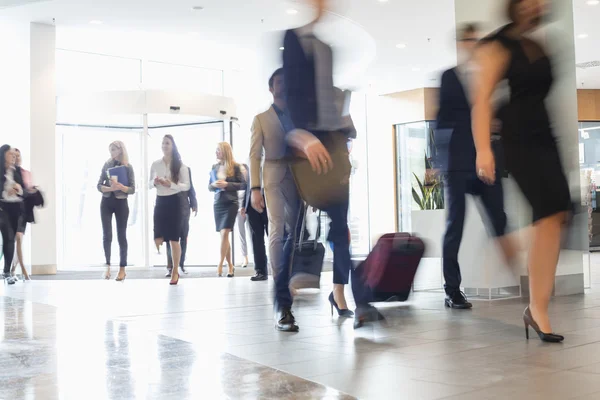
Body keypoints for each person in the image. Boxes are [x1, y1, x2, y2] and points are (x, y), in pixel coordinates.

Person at [472, 0, 571, 342]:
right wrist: (483, 149)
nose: (535, 5)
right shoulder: (498, 46)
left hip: (545, 135)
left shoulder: (539, 43)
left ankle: (536, 303)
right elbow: (482, 99)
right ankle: (537, 307)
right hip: (518, 139)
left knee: (557, 214)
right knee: (547, 213)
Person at [276, 0, 364, 332]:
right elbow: (288, 98)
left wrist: (342, 125)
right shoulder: (292, 40)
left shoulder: (326, 48)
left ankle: (352, 299)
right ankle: (283, 306)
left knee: (340, 232)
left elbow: (327, 102)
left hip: (331, 147)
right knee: (294, 232)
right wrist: (300, 136)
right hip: (302, 150)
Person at [436, 24, 516, 309]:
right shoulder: (448, 77)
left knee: (499, 219)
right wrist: (439, 162)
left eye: (476, 40)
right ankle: (452, 290)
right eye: (467, 40)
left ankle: (517, 270)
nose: (472, 44)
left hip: (487, 160)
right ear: (460, 43)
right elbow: (441, 121)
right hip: (457, 163)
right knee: (454, 226)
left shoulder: (489, 76)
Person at [249, 68, 302, 283]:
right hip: (272, 176)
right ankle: (280, 279)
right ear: (271, 88)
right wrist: (255, 188)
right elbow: (253, 155)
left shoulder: (298, 117)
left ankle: (291, 274)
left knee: (295, 228)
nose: (283, 85)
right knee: (276, 226)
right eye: (278, 82)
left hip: (297, 177)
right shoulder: (261, 119)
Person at [150, 135, 191, 286]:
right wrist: (154, 182)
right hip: (160, 201)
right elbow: (148, 183)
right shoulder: (155, 164)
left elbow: (186, 186)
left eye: (167, 143)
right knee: (158, 237)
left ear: (173, 146)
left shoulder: (180, 166)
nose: (164, 145)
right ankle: (169, 263)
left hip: (175, 202)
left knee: (174, 239)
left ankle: (175, 270)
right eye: (162, 143)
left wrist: (171, 184)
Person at [97, 141, 135, 282]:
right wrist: (110, 188)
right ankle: (107, 267)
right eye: (110, 150)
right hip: (106, 202)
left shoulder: (128, 167)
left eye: (113, 150)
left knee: (121, 236)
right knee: (107, 235)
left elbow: (132, 189)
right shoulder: (107, 164)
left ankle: (122, 269)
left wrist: (120, 187)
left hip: (121, 203)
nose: (111, 153)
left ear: (120, 150)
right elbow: (99, 185)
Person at [209, 142, 246, 278]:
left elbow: (243, 184)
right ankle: (230, 266)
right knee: (224, 236)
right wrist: (214, 184)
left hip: (231, 203)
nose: (216, 152)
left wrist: (227, 184)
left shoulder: (236, 167)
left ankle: (220, 264)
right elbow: (209, 187)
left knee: (225, 234)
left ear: (225, 151)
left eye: (218, 150)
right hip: (218, 203)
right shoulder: (215, 167)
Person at [165, 168, 197, 277]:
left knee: (183, 237)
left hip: (183, 208)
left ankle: (181, 264)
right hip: (169, 206)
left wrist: (194, 204)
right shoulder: (165, 169)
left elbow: (191, 188)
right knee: (170, 239)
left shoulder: (186, 170)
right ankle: (170, 267)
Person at [0, 145, 25, 285]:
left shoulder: (16, 172)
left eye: (15, 155)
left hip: (14, 208)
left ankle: (7, 271)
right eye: (11, 154)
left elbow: (24, 190)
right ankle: (7, 271)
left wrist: (19, 189)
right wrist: (5, 192)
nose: (13, 157)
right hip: (2, 207)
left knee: (10, 239)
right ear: (3, 155)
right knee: (8, 236)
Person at [242, 162, 269, 281]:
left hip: (270, 202)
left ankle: (281, 270)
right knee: (256, 239)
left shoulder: (273, 155)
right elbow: (248, 185)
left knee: (275, 237)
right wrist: (244, 205)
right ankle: (260, 271)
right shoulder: (252, 159)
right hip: (252, 205)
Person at [11, 148, 33, 280]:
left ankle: (15, 269)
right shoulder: (8, 173)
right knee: (15, 240)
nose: (17, 158)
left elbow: (27, 192)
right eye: (14, 156)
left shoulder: (25, 173)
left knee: (19, 239)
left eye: (18, 156)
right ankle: (22, 270)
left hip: (23, 211)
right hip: (11, 210)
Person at [235, 164, 250, 269]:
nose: (242, 172)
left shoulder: (249, 184)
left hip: (248, 210)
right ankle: (245, 257)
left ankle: (255, 255)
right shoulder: (237, 183)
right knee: (241, 235)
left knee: (251, 233)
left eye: (244, 170)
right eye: (240, 171)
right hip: (238, 212)